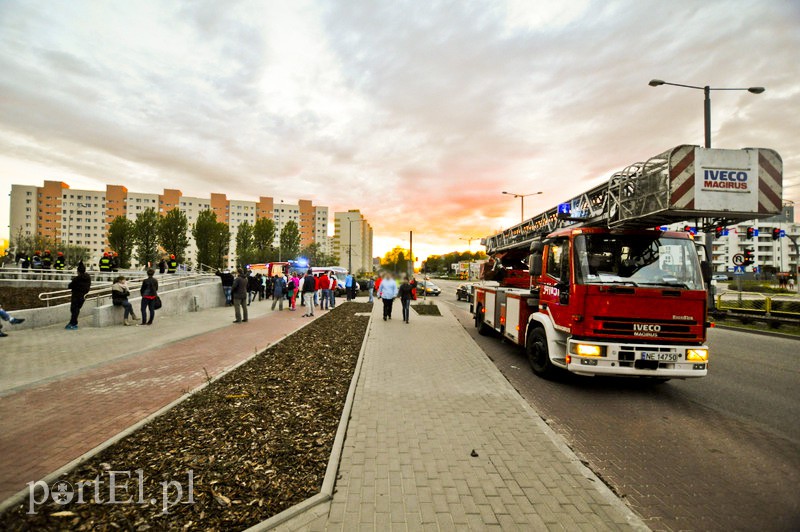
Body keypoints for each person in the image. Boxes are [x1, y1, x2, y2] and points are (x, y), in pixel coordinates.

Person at [66, 262, 91, 330]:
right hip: (83, 296)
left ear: (78, 271)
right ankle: (72, 322)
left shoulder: (77, 279)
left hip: (76, 295)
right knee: (77, 309)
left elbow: (70, 286)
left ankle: (73, 323)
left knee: (74, 309)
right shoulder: (88, 277)